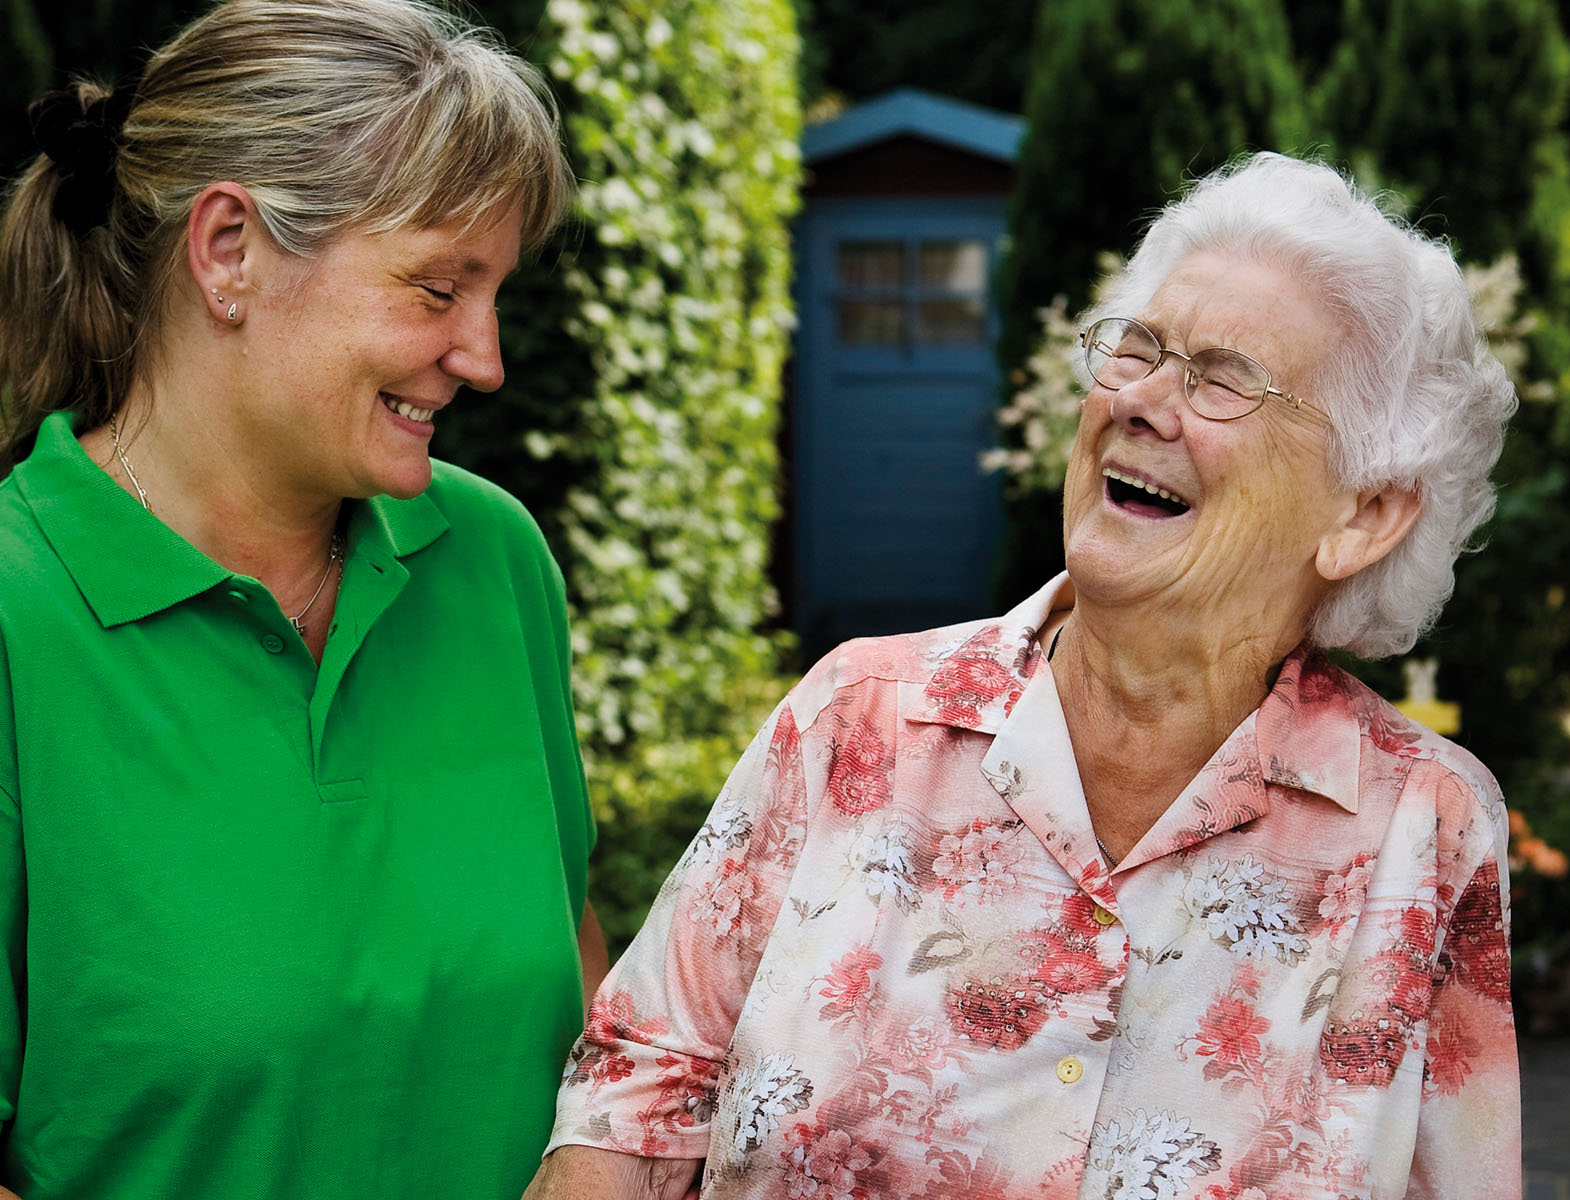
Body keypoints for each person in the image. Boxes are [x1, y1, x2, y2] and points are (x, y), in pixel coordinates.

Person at [527, 153, 1521, 1200]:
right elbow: (638, 1089)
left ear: (1363, 515)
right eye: (1135, 352)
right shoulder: (858, 717)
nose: (1140, 401)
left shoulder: (1426, 827)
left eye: (1221, 378)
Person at [0, 1, 607, 1196]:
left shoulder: (490, 558)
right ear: (229, 251)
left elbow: (580, 995)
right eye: (438, 290)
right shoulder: (20, 607)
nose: (484, 357)